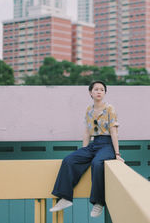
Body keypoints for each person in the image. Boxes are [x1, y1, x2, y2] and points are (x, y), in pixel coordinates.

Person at [49, 80, 124, 217]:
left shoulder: (110, 109)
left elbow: (113, 132)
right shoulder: (89, 110)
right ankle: (65, 198)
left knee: (97, 163)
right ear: (90, 92)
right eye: (96, 89)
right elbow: (86, 132)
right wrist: (83, 152)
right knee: (69, 160)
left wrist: (117, 153)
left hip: (107, 144)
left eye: (102, 89)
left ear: (105, 93)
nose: (99, 91)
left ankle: (98, 202)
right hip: (93, 144)